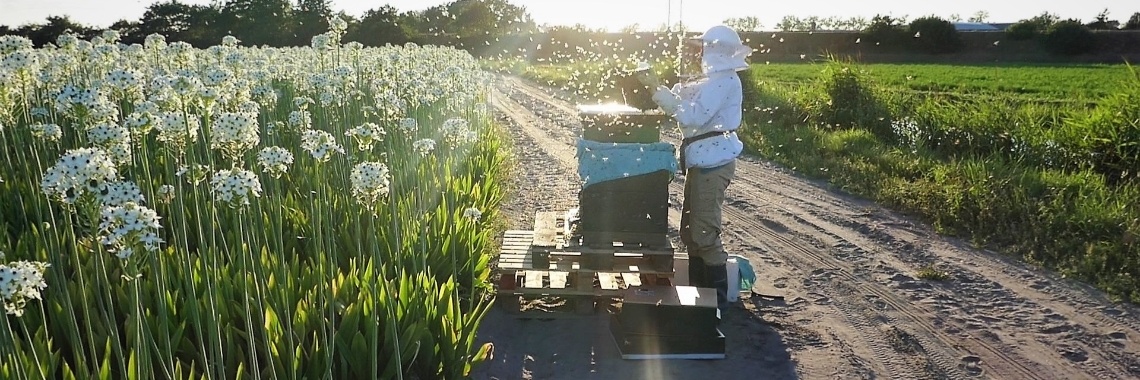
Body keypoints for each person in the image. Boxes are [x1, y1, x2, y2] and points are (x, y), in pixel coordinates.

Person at [638, 25, 750, 311]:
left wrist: (654, 88)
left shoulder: (725, 81)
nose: (697, 52)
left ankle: (717, 304)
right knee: (690, 232)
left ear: (715, 50)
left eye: (702, 48)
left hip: (714, 163)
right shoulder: (710, 80)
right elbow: (681, 98)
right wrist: (658, 88)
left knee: (703, 234)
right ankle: (701, 298)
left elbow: (691, 116)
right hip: (703, 161)